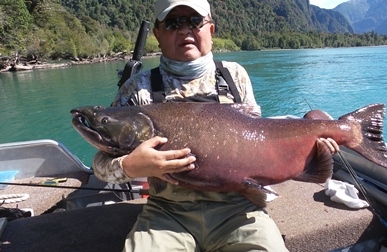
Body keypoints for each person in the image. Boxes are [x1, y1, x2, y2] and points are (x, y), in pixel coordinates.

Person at [92, 0, 339, 251]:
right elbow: (101, 166)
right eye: (173, 23)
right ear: (157, 34)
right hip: (167, 213)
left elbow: (259, 138)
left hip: (239, 209)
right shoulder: (136, 88)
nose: (185, 29)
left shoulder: (235, 76)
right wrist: (131, 166)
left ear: (210, 29)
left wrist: (313, 151)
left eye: (195, 21)